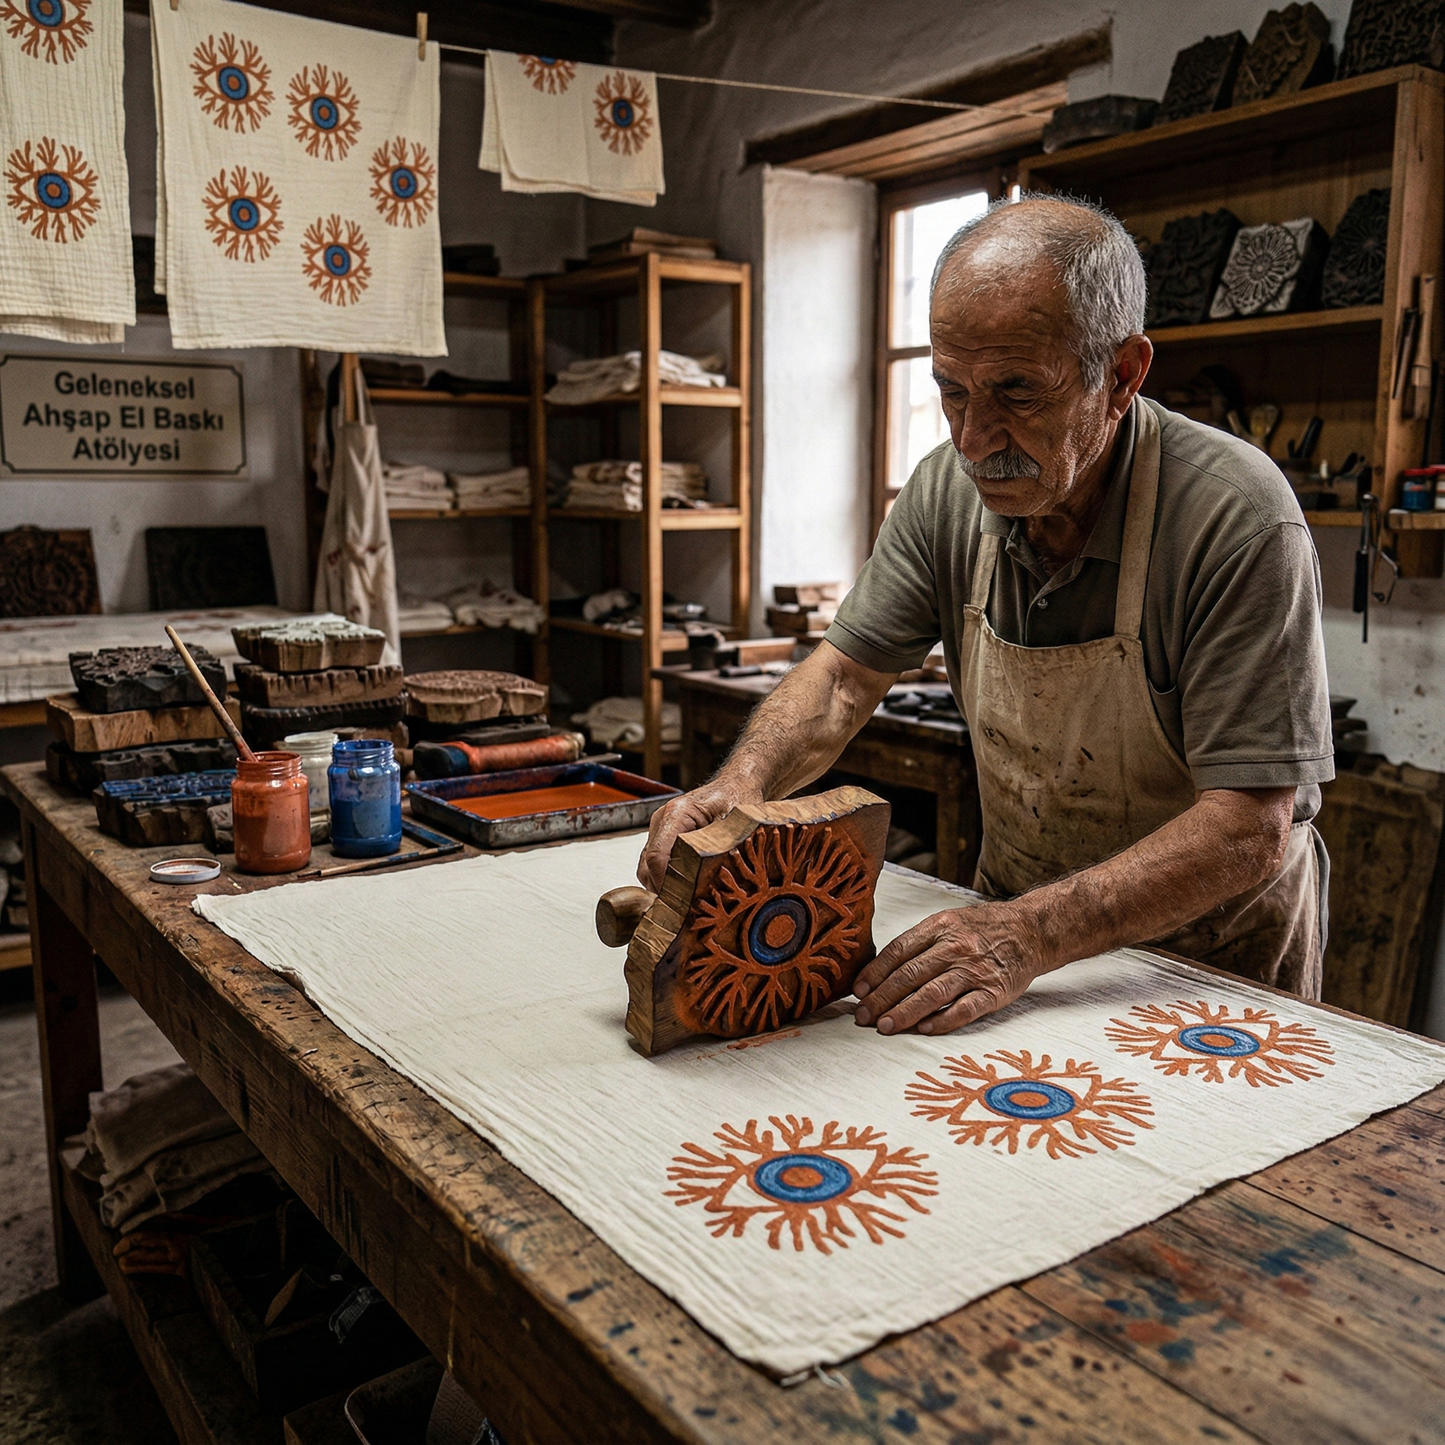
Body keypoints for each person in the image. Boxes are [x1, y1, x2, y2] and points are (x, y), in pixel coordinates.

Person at [638, 194, 1333, 1039]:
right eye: (950, 391)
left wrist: (1030, 932)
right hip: (1012, 954)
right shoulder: (946, 490)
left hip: (1202, 967)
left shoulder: (1236, 515)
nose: (973, 438)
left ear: (1121, 376)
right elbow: (842, 681)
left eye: (1015, 392)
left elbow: (1247, 827)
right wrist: (740, 788)